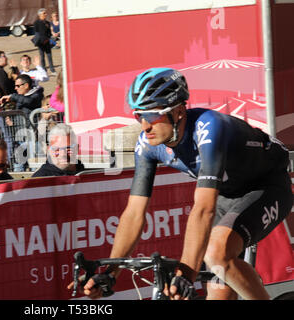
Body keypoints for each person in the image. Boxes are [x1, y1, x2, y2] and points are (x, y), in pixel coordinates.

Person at [69, 68, 293, 301]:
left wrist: (186, 273)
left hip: (267, 186)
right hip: (226, 195)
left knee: (216, 254)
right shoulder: (147, 145)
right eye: (139, 116)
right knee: (217, 289)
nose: (145, 126)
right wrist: (111, 273)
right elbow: (134, 213)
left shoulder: (210, 128)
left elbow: (203, 209)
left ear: (177, 112)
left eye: (152, 116)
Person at [33, 8, 56, 76]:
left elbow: (49, 32)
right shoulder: (36, 22)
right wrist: (40, 40)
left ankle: (52, 70)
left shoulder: (47, 23)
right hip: (40, 42)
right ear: (40, 14)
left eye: (45, 13)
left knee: (49, 56)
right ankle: (44, 70)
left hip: (47, 41)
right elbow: (36, 32)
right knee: (42, 56)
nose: (46, 14)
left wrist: (50, 38)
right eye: (44, 13)